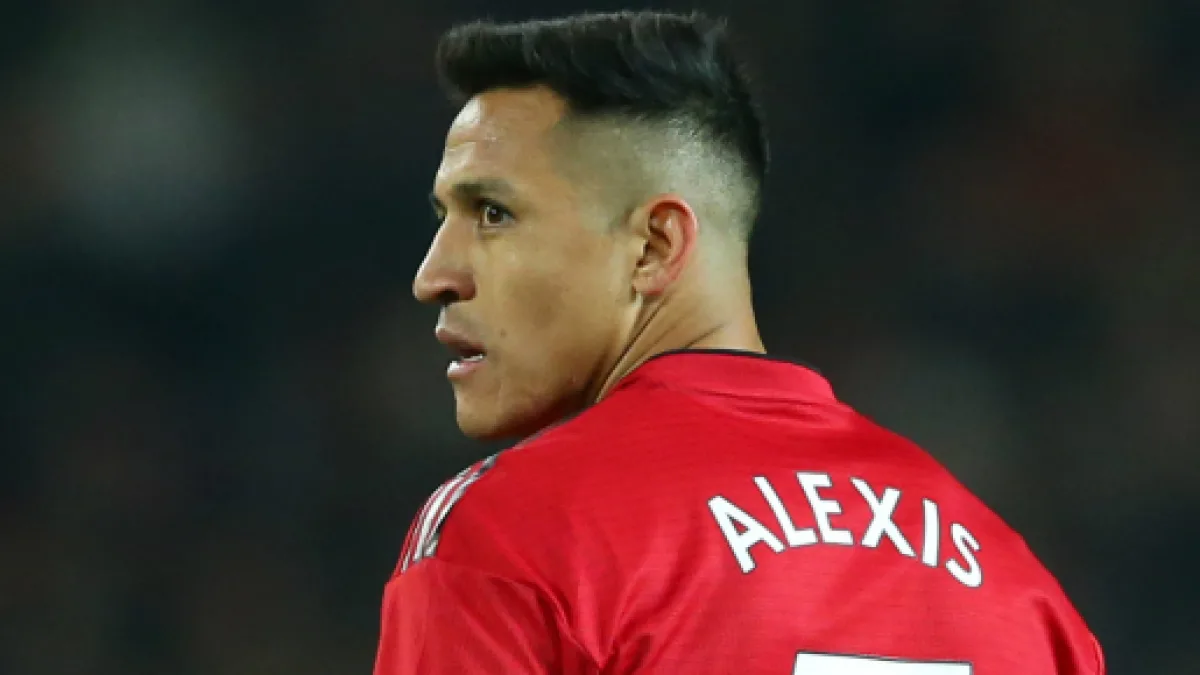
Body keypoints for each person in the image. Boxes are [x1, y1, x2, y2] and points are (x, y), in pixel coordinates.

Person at [373, 10, 1104, 675]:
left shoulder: (512, 537)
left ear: (655, 246)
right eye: (443, 217)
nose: (434, 275)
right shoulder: (1025, 594)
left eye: (492, 214)